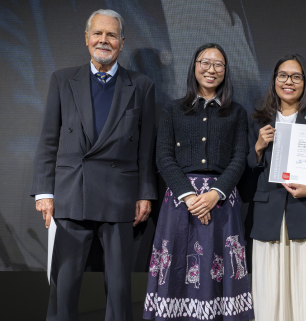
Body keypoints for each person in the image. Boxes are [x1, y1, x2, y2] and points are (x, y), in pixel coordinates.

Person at [30, 9, 156, 321]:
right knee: (65, 285)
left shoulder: (141, 85)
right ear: (87, 40)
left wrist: (145, 193)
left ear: (122, 42)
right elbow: (48, 140)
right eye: (97, 34)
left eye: (111, 35)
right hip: (73, 193)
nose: (104, 40)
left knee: (119, 287)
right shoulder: (62, 80)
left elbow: (146, 148)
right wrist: (44, 192)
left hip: (120, 196)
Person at [141, 43, 253, 320]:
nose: (211, 69)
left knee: (219, 275)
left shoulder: (236, 112)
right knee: (177, 269)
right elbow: (164, 157)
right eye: (205, 62)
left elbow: (240, 159)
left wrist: (215, 193)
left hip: (222, 204)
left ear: (225, 72)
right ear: (194, 67)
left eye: (218, 65)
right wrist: (190, 197)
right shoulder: (173, 110)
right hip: (181, 205)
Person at [248, 54, 306, 321]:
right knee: (270, 293)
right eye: (283, 75)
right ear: (274, 80)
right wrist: (259, 149)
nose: (289, 82)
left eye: (296, 77)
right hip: (268, 217)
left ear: (304, 82)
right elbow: (246, 172)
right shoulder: (259, 119)